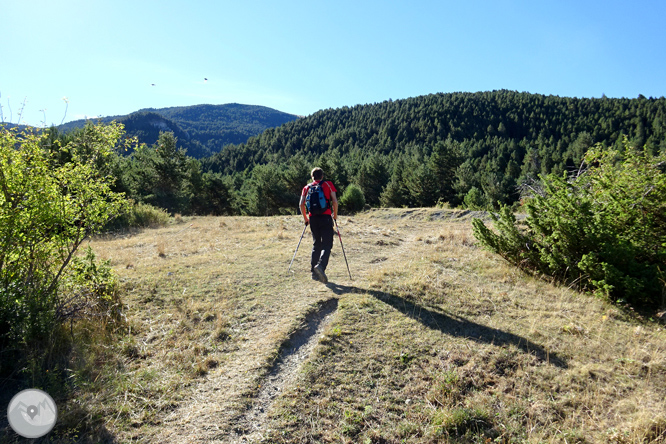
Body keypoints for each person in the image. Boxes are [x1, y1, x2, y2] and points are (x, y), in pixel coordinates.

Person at [299, 167, 338, 283]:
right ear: (322, 176)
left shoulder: (307, 188)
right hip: (325, 217)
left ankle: (313, 273)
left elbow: (301, 204)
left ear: (312, 177)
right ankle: (320, 266)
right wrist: (334, 216)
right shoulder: (328, 184)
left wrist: (306, 218)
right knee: (327, 244)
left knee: (316, 244)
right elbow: (334, 201)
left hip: (313, 218)